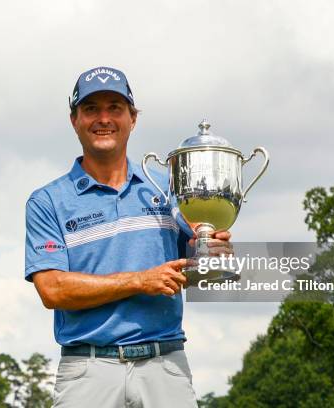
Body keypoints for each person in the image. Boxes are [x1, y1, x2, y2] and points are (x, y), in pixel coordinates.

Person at [24, 66, 231, 408]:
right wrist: (138, 280)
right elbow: (52, 289)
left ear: (133, 118)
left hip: (164, 366)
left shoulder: (171, 188)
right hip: (87, 370)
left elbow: (198, 274)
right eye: (91, 109)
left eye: (115, 108)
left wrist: (212, 252)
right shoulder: (47, 201)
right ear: (74, 119)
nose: (103, 119)